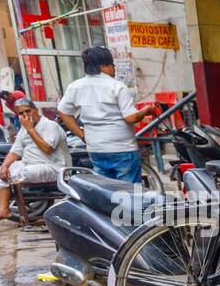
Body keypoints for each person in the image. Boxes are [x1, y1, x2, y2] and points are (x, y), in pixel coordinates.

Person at [56, 46, 158, 183]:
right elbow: (131, 118)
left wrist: (82, 135)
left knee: (106, 192)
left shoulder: (76, 86)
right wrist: (146, 110)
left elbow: (63, 112)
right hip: (122, 149)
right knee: (130, 195)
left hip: (96, 149)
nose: (114, 68)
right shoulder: (117, 86)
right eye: (111, 64)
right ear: (103, 66)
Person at [0, 98, 70, 223]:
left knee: (26, 172)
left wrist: (30, 129)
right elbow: (15, 151)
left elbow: (47, 149)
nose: (25, 115)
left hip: (53, 167)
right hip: (29, 165)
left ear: (36, 110)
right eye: (21, 113)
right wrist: (5, 166)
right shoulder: (24, 129)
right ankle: (4, 209)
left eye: (28, 111)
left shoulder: (51, 125)